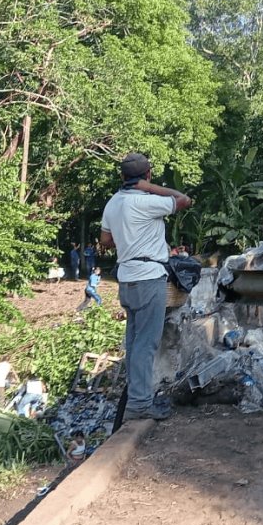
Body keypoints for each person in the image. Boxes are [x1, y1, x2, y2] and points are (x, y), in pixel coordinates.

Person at [100, 152, 193, 421]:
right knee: (146, 344)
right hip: (148, 277)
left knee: (133, 342)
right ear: (148, 175)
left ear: (122, 177)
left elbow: (105, 240)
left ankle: (136, 397)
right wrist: (148, 187)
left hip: (126, 279)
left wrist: (129, 236)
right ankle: (140, 404)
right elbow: (183, 200)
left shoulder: (113, 203)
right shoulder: (147, 201)